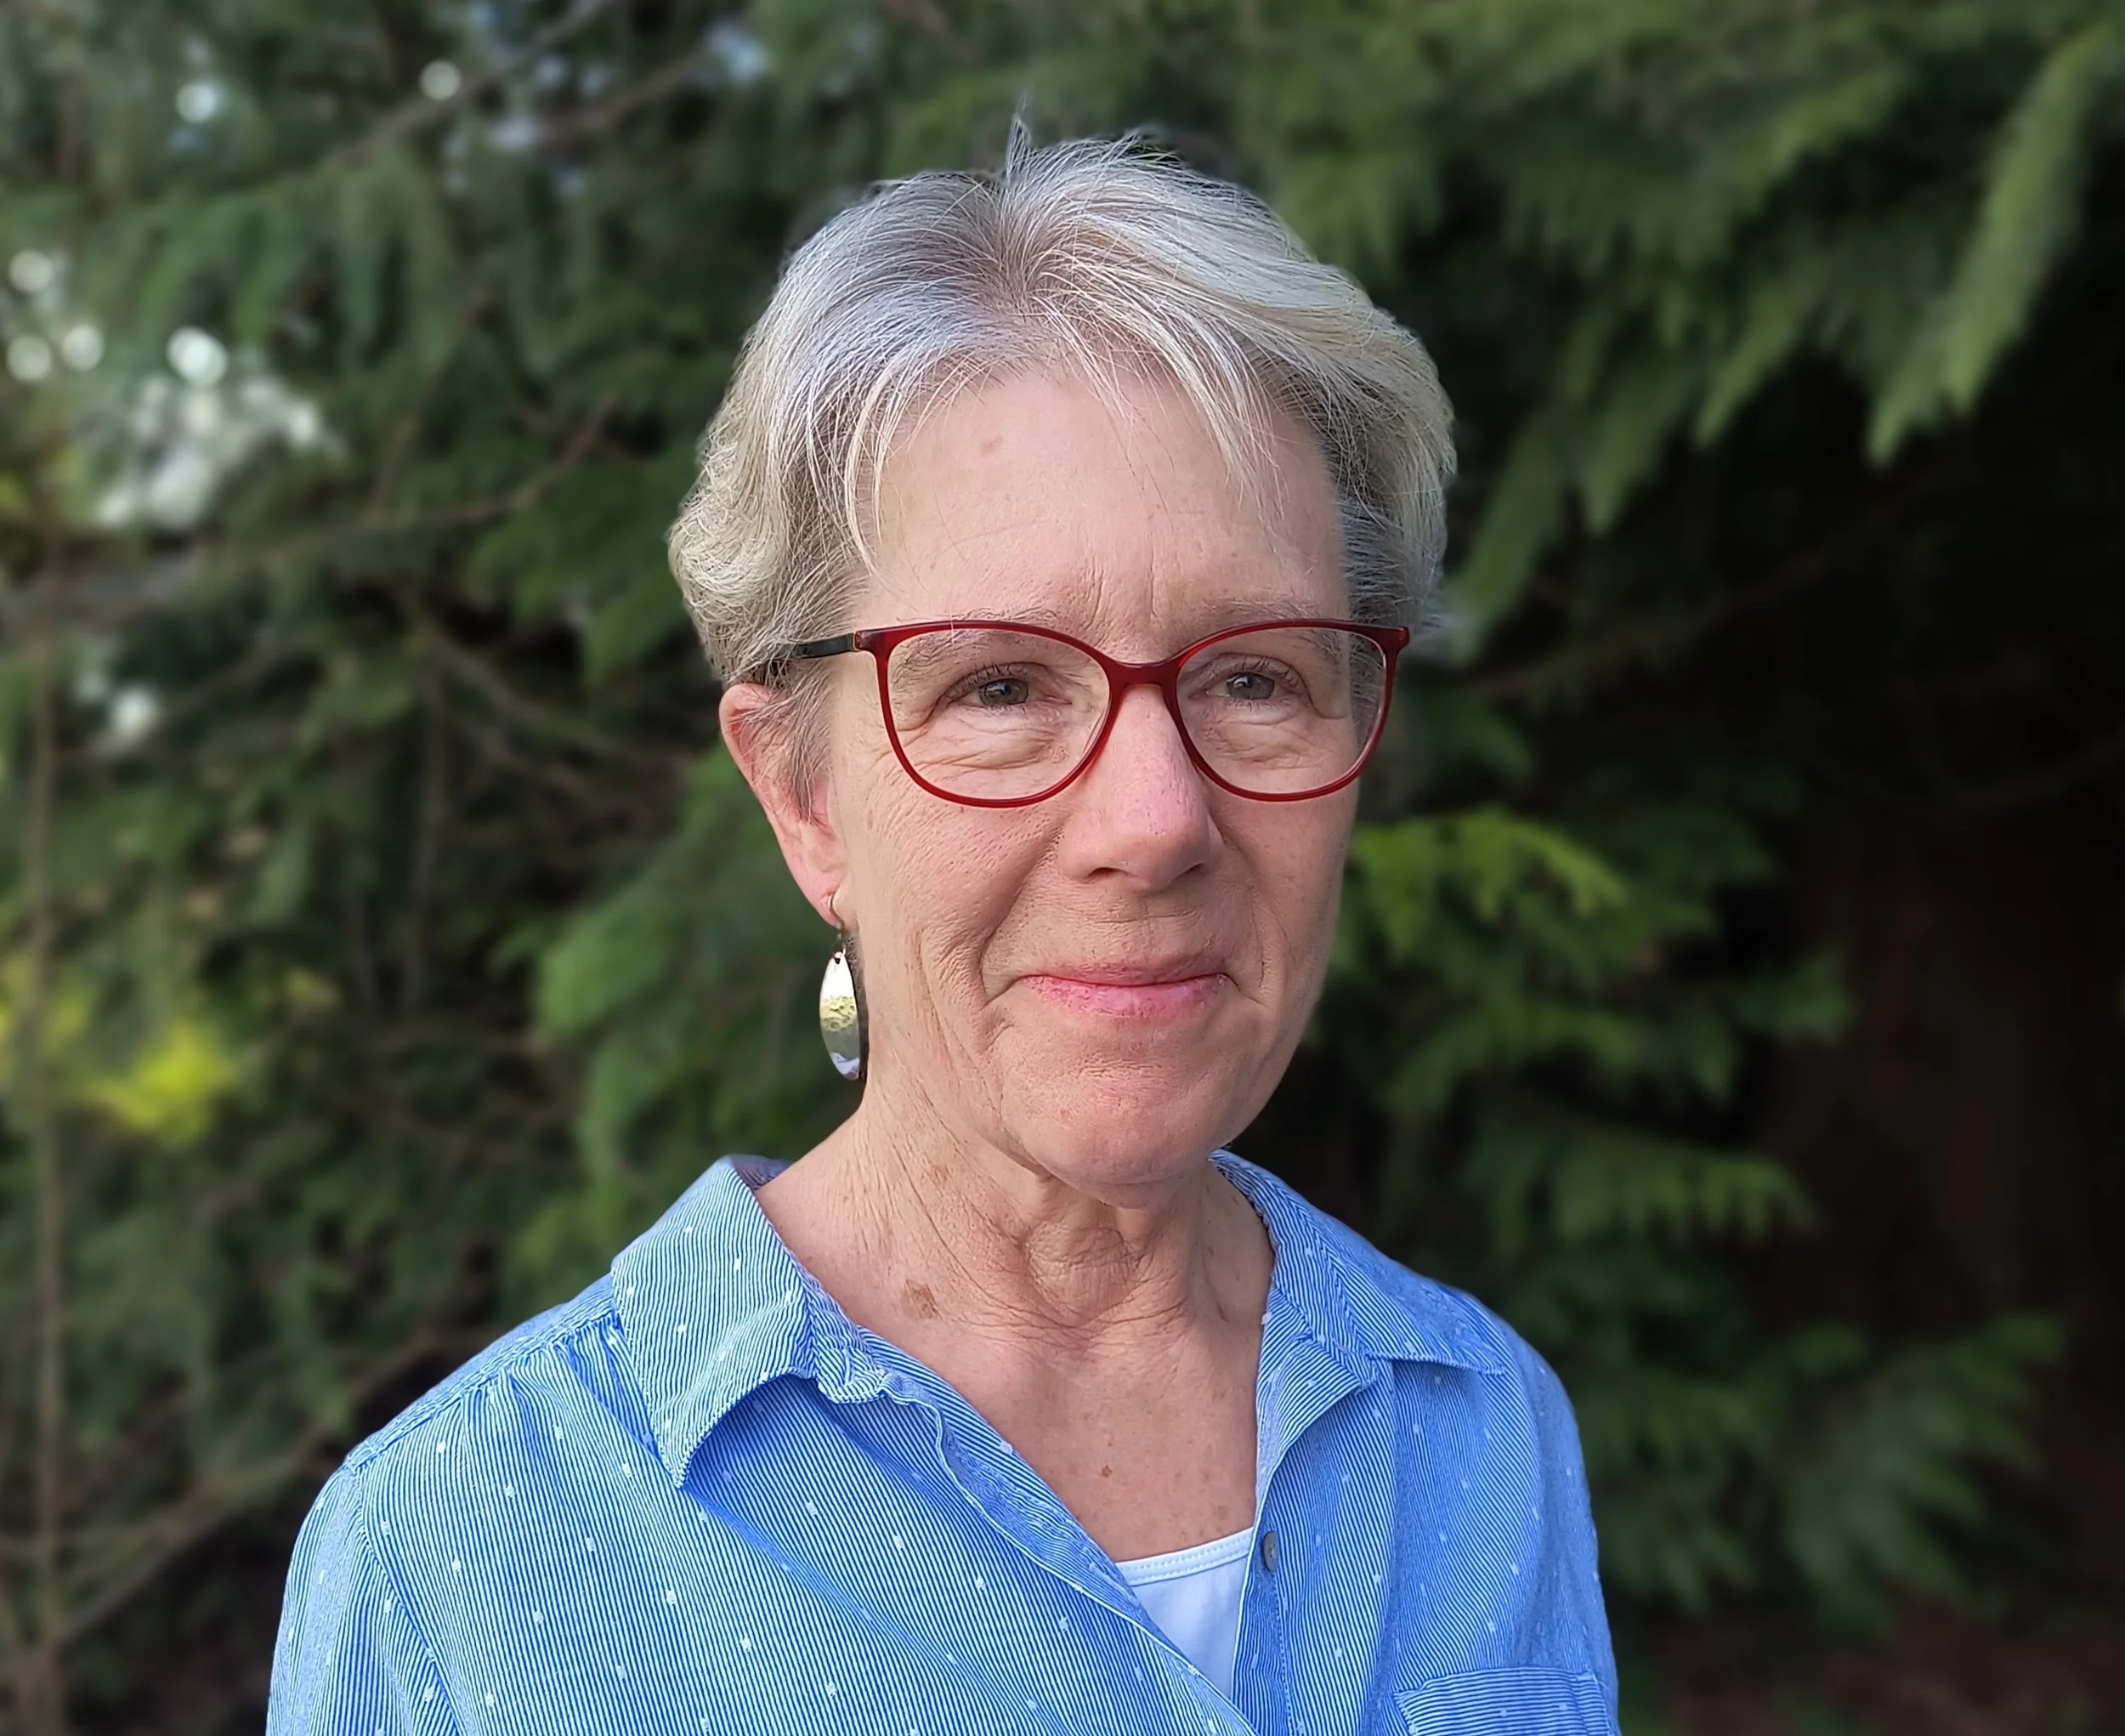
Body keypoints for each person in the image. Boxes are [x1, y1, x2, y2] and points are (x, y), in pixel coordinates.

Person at [269, 135, 1618, 1736]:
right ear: (803, 797)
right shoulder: (464, 1559)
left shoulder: (1479, 1431)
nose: (1154, 821)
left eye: (1255, 676)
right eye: (998, 686)